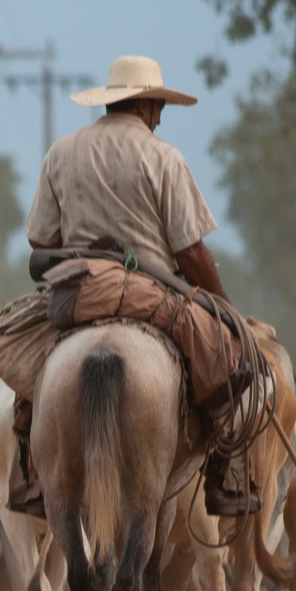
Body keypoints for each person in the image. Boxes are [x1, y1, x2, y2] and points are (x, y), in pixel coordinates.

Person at [23, 54, 256, 518]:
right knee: (236, 366)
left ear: (113, 102)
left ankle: (29, 473)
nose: (161, 116)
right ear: (146, 106)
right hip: (157, 293)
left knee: (22, 371)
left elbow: (39, 239)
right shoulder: (163, 156)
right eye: (159, 107)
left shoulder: (62, 151)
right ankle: (224, 475)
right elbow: (190, 252)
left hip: (78, 293)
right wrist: (224, 310)